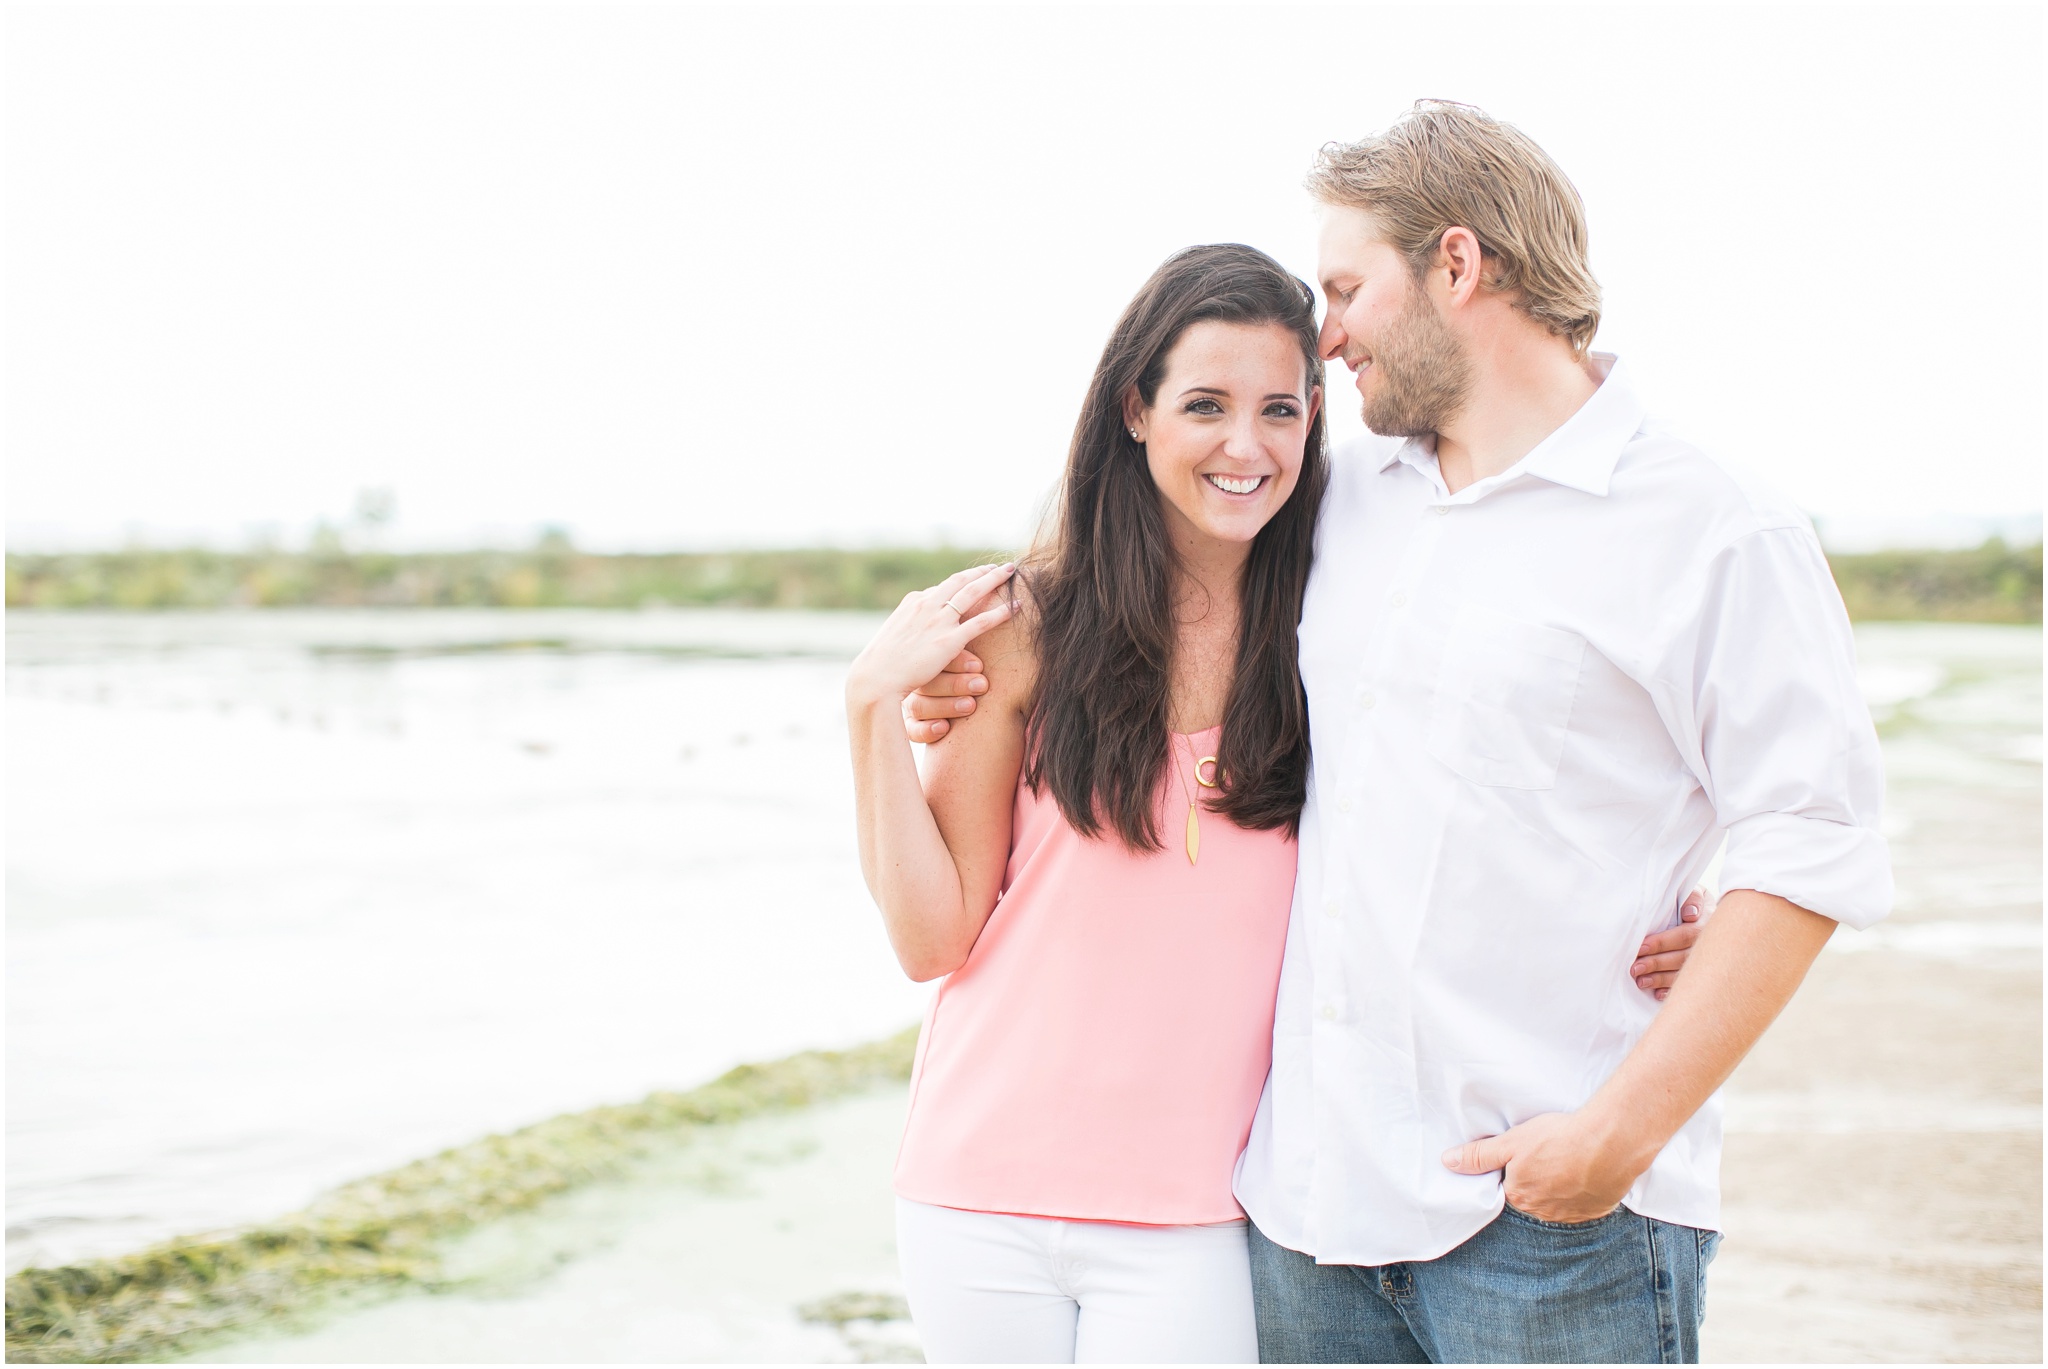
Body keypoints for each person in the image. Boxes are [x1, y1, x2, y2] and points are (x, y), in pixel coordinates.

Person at [906, 102, 1893, 1364]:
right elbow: (1141, 552)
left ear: (1457, 265)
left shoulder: (1709, 527)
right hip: (1302, 1214)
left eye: (1344, 286)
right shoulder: (1341, 490)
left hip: (1546, 1214)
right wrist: (954, 678)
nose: (1323, 339)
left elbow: (1807, 839)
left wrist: (1618, 1135)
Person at [848, 242, 1706, 1365]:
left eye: (1281, 410)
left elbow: (1512, 755)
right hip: (972, 1190)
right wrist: (868, 709)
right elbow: (931, 939)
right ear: (1133, 411)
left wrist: (1686, 897)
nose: (1244, 446)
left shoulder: (1333, 619)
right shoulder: (1018, 625)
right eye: (1204, 405)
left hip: (1198, 1209)